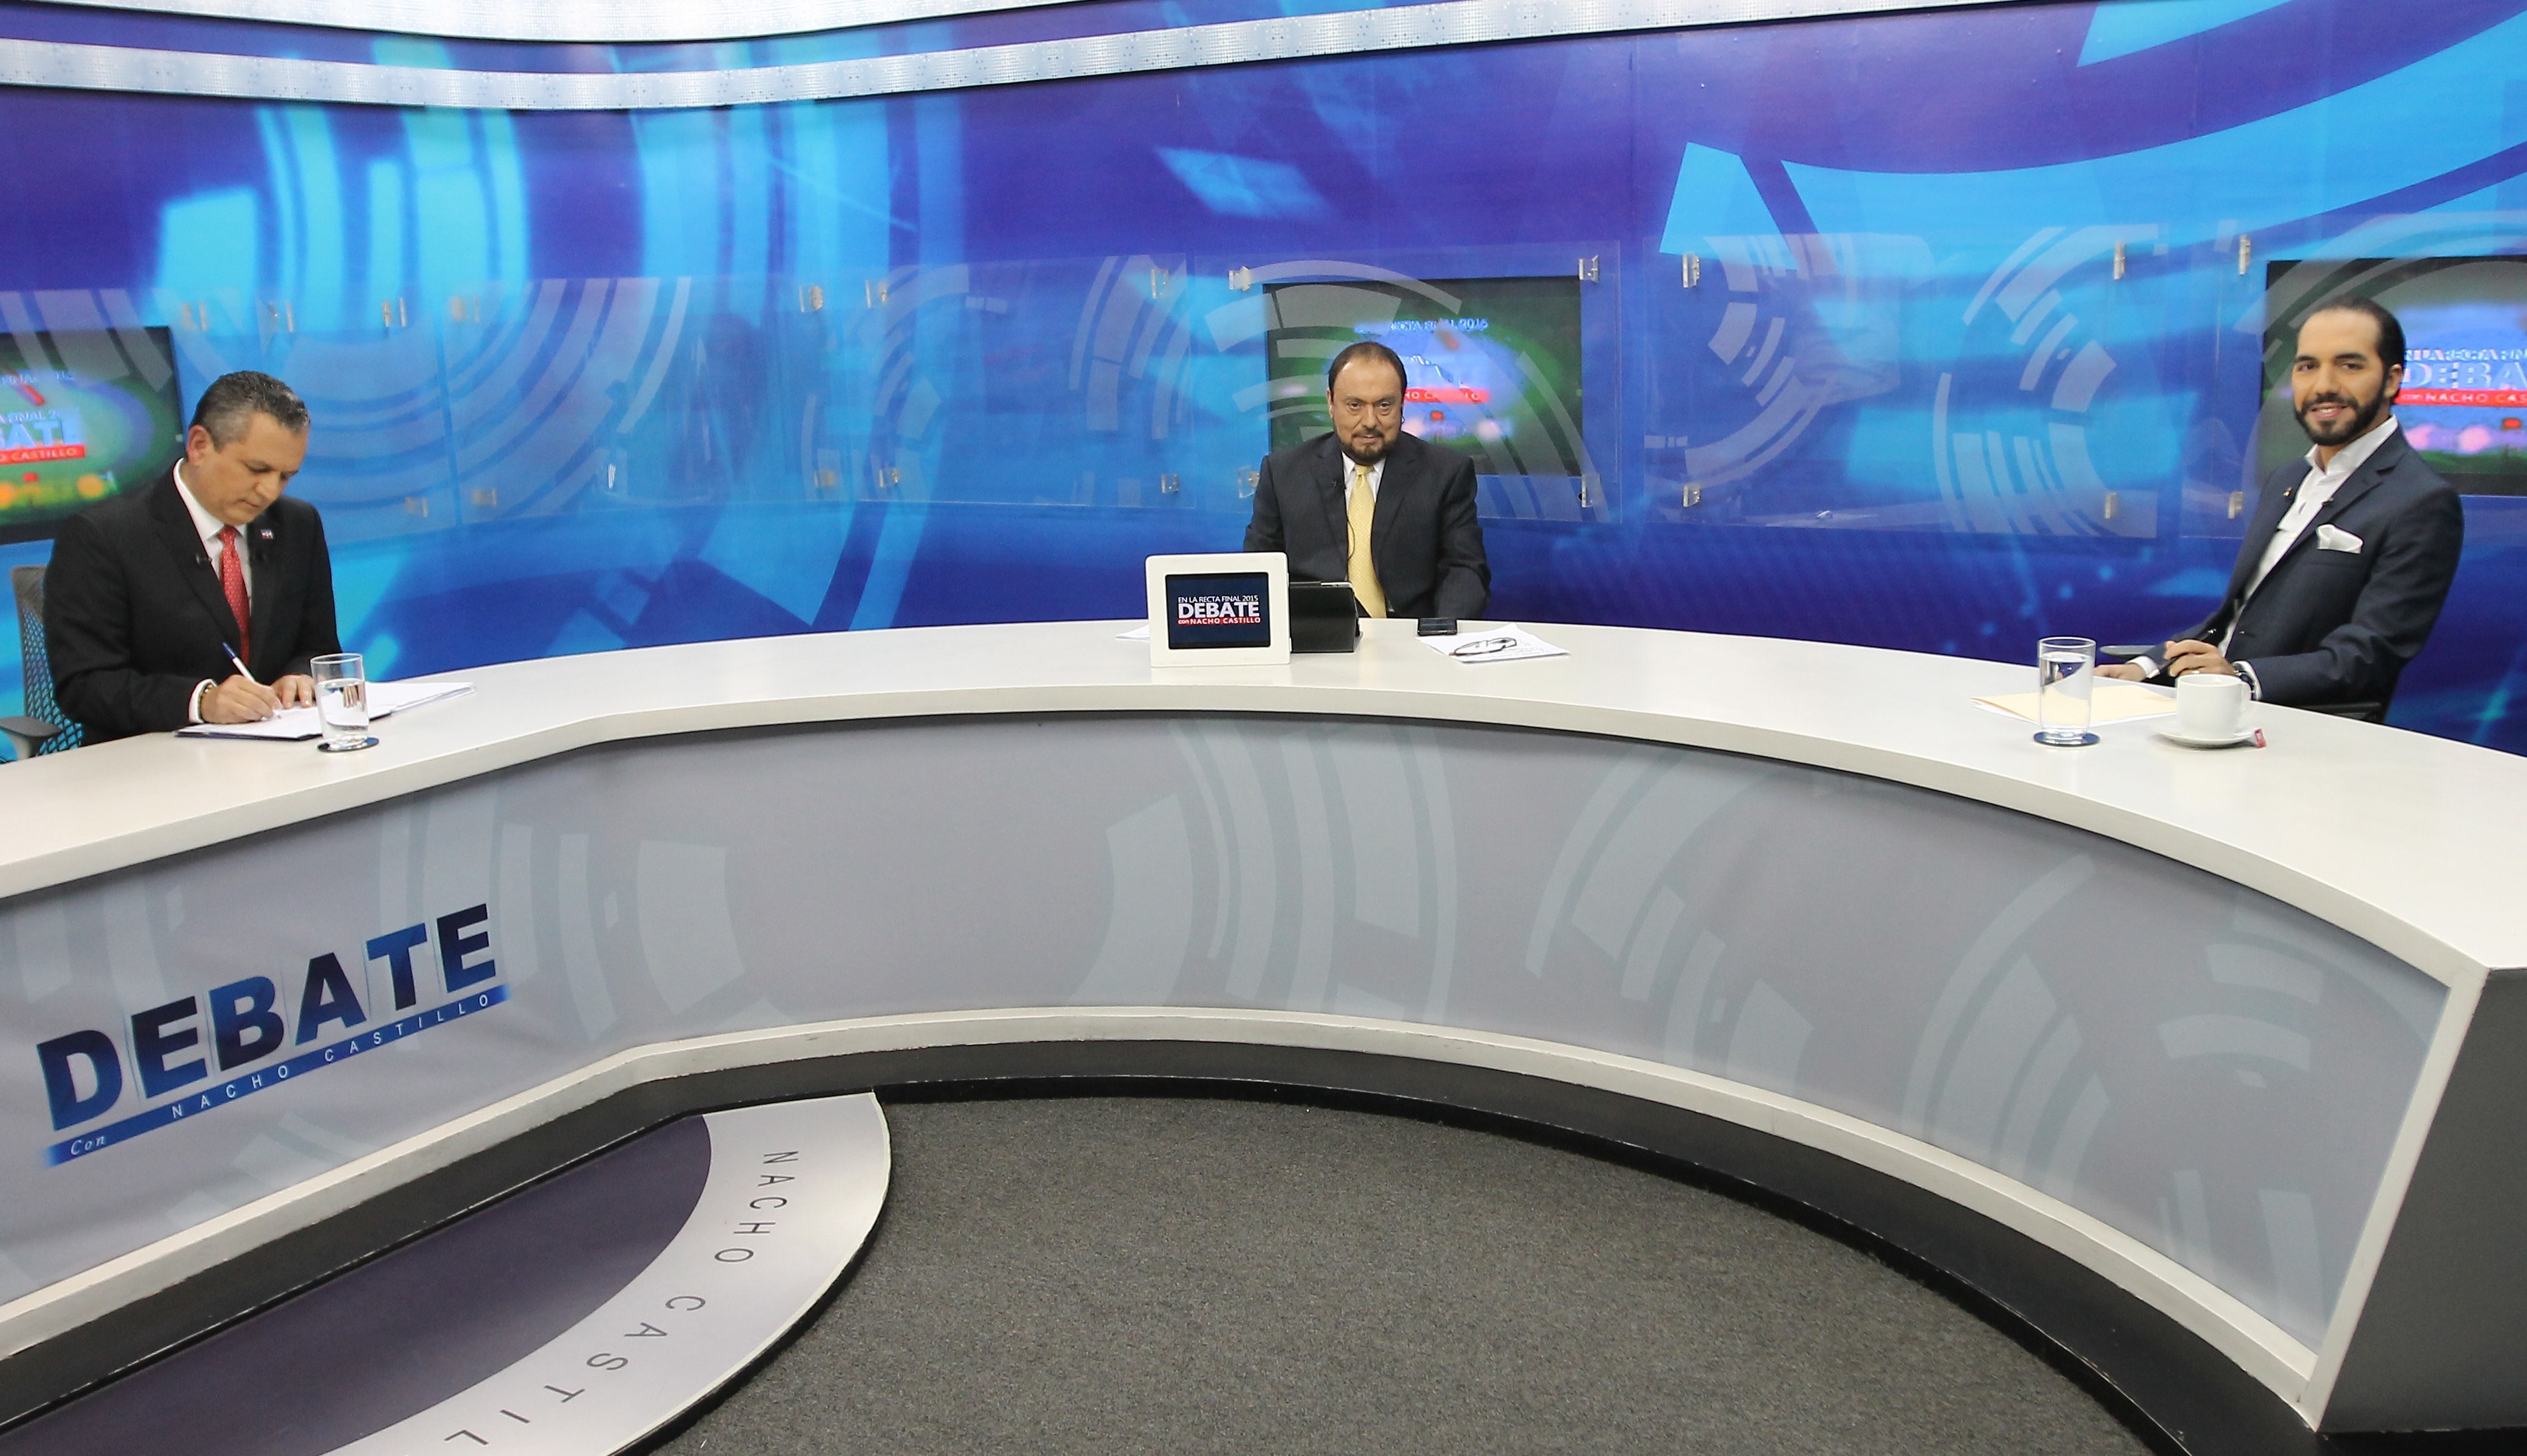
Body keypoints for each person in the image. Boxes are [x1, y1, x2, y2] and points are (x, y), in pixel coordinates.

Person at [2099, 298, 2463, 717]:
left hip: (2307, 730)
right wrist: (2145, 667)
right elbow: (2234, 618)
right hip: (2219, 712)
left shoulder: (2421, 500)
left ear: (2392, 379)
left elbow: (2368, 655)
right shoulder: (2287, 479)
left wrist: (2240, 679)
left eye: (2349, 365)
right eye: (2307, 366)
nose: (2323, 385)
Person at [45, 372, 338, 742]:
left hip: (279, 751)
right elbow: (84, 684)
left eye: (285, 476)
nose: (268, 491)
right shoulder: (103, 536)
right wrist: (200, 702)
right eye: (257, 469)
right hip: (153, 759)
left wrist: (301, 676)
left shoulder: (298, 524)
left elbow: (319, 647)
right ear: (199, 446)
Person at [1243, 340, 1490, 621]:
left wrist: (1441, 635)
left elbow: (1464, 570)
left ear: (1402, 404)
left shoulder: (1446, 473)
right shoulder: (1283, 473)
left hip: (1411, 635)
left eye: (1384, 405)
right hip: (1316, 634)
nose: (1370, 421)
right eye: (1355, 405)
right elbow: (1258, 571)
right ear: (1331, 402)